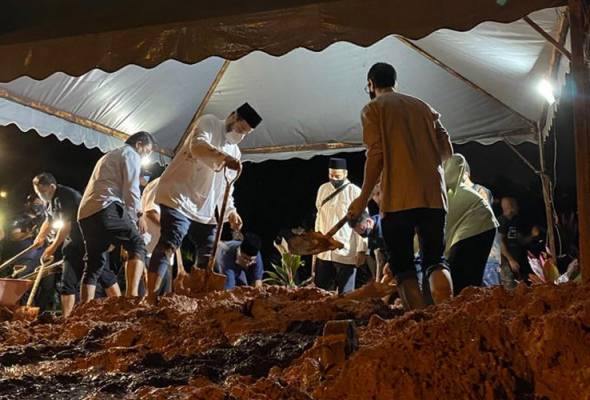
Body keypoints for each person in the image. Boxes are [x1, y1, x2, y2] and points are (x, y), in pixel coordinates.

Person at [348, 62, 454, 310]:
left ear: (371, 85)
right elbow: (447, 152)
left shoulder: (373, 109)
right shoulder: (423, 107)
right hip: (433, 197)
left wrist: (363, 198)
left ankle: (420, 322)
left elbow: (376, 155)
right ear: (396, 81)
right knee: (435, 261)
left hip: (398, 199)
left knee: (404, 269)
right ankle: (448, 315)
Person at [147, 103, 262, 296]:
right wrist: (224, 158)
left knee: (209, 248)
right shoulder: (209, 123)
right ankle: (151, 295)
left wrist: (231, 212)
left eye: (246, 133)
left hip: (204, 207)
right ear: (233, 116)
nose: (240, 135)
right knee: (172, 239)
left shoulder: (236, 152)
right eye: (240, 129)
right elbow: (198, 146)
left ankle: (198, 295)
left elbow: (226, 187)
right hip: (179, 196)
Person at [78, 132, 155, 303]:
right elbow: (131, 189)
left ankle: (83, 309)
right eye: (147, 151)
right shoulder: (131, 154)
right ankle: (131, 298)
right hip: (105, 207)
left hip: (85, 214)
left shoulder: (109, 156)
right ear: (139, 144)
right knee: (137, 244)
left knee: (94, 263)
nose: (146, 156)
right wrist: (139, 216)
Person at [30, 173, 118, 316]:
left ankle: (123, 308)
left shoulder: (66, 196)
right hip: (73, 244)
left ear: (52, 187)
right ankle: (67, 319)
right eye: (37, 193)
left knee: (104, 276)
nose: (40, 196)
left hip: (90, 240)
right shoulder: (51, 201)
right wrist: (40, 237)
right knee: (67, 282)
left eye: (42, 192)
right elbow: (49, 220)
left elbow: (66, 226)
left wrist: (51, 248)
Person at [443, 154, 498, 295]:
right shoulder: (450, 192)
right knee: (465, 281)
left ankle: (466, 312)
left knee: (461, 282)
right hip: (483, 228)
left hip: (476, 231)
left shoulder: (449, 194)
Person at [313, 158, 368, 294]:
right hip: (324, 252)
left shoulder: (355, 191)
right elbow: (319, 217)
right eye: (331, 175)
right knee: (320, 293)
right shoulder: (323, 189)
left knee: (346, 295)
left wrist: (362, 250)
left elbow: (363, 223)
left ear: (345, 174)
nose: (334, 179)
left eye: (337, 176)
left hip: (346, 251)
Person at [139, 177, 186, 295]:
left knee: (162, 301)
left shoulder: (179, 191)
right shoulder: (160, 183)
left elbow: (176, 234)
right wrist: (172, 229)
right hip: (150, 251)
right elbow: (151, 212)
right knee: (146, 298)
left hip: (167, 258)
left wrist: (180, 266)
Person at [498, 197, 533, 286]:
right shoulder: (501, 221)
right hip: (506, 262)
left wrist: (533, 236)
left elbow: (521, 241)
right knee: (510, 288)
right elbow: (499, 242)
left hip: (518, 261)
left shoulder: (516, 221)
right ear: (511, 207)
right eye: (516, 205)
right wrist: (511, 260)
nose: (518, 207)